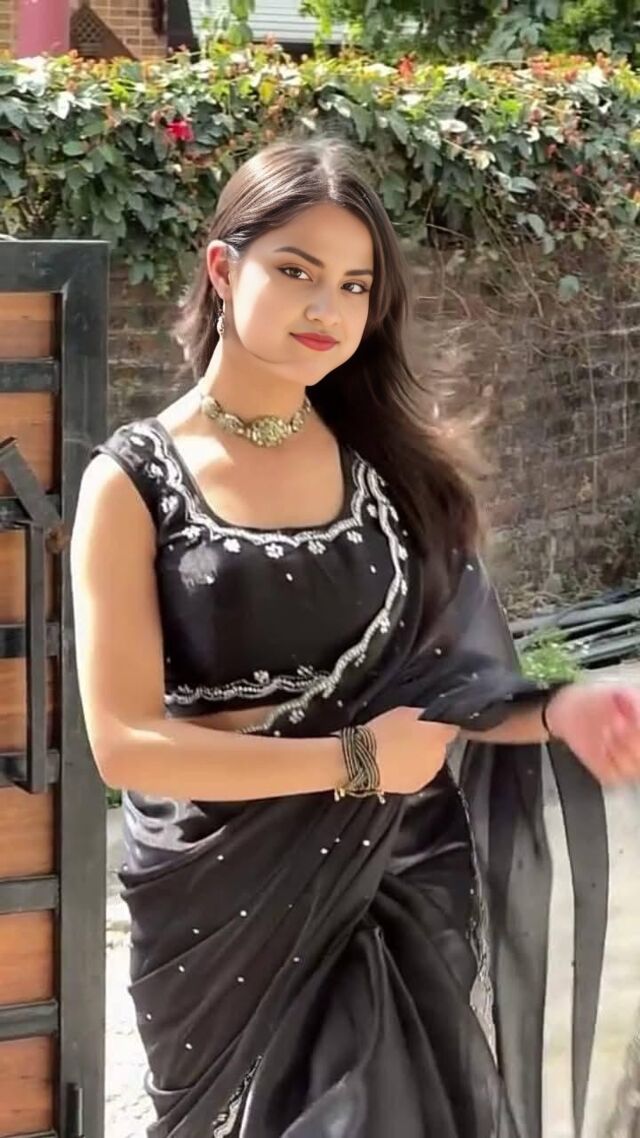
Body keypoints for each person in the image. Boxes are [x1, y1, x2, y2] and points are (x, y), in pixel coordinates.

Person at [71, 139, 640, 1138]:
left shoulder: (390, 474)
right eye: (296, 271)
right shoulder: (132, 483)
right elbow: (124, 743)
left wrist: (560, 709)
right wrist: (353, 761)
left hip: (390, 888)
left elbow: (451, 689)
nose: (326, 309)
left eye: (353, 285)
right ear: (222, 268)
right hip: (220, 906)